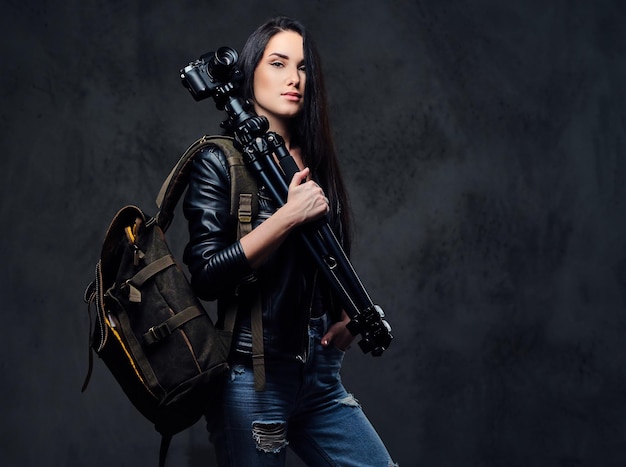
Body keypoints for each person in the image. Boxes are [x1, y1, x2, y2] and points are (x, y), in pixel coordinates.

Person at [183, 16, 396, 467]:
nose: (294, 78)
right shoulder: (218, 161)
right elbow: (205, 275)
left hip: (320, 375)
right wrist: (286, 217)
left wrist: (346, 318)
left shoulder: (315, 156)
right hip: (253, 375)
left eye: (302, 67)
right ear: (248, 72)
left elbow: (326, 251)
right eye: (278, 63)